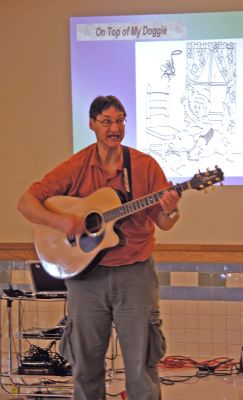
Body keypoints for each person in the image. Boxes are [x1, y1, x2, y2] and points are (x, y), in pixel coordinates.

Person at [17, 95, 181, 400]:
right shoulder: (77, 165)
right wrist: (63, 222)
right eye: (107, 121)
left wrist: (170, 209)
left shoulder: (145, 166)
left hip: (135, 275)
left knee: (142, 367)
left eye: (120, 120)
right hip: (87, 280)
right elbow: (26, 202)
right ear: (92, 124)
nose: (114, 127)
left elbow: (163, 221)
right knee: (85, 366)